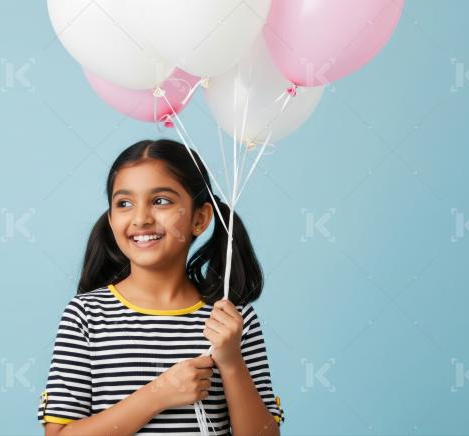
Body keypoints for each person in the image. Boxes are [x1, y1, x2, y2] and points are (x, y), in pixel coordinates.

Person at [38, 139, 285, 435]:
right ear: (111, 218)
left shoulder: (233, 319)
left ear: (200, 218)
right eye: (124, 203)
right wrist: (158, 394)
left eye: (161, 201)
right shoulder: (86, 316)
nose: (141, 218)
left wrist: (231, 361)